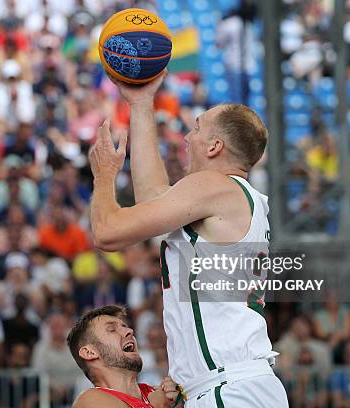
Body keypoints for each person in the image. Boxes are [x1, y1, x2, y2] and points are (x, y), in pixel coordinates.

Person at [89, 72, 287, 406]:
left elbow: (108, 233)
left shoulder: (214, 185)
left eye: (196, 128)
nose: (186, 137)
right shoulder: (228, 196)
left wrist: (103, 177)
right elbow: (153, 196)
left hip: (229, 387)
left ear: (215, 146)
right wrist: (141, 103)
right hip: (230, 384)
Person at [67, 305, 179, 408]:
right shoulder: (90, 400)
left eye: (125, 326)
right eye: (112, 330)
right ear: (89, 352)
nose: (129, 331)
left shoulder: (155, 393)